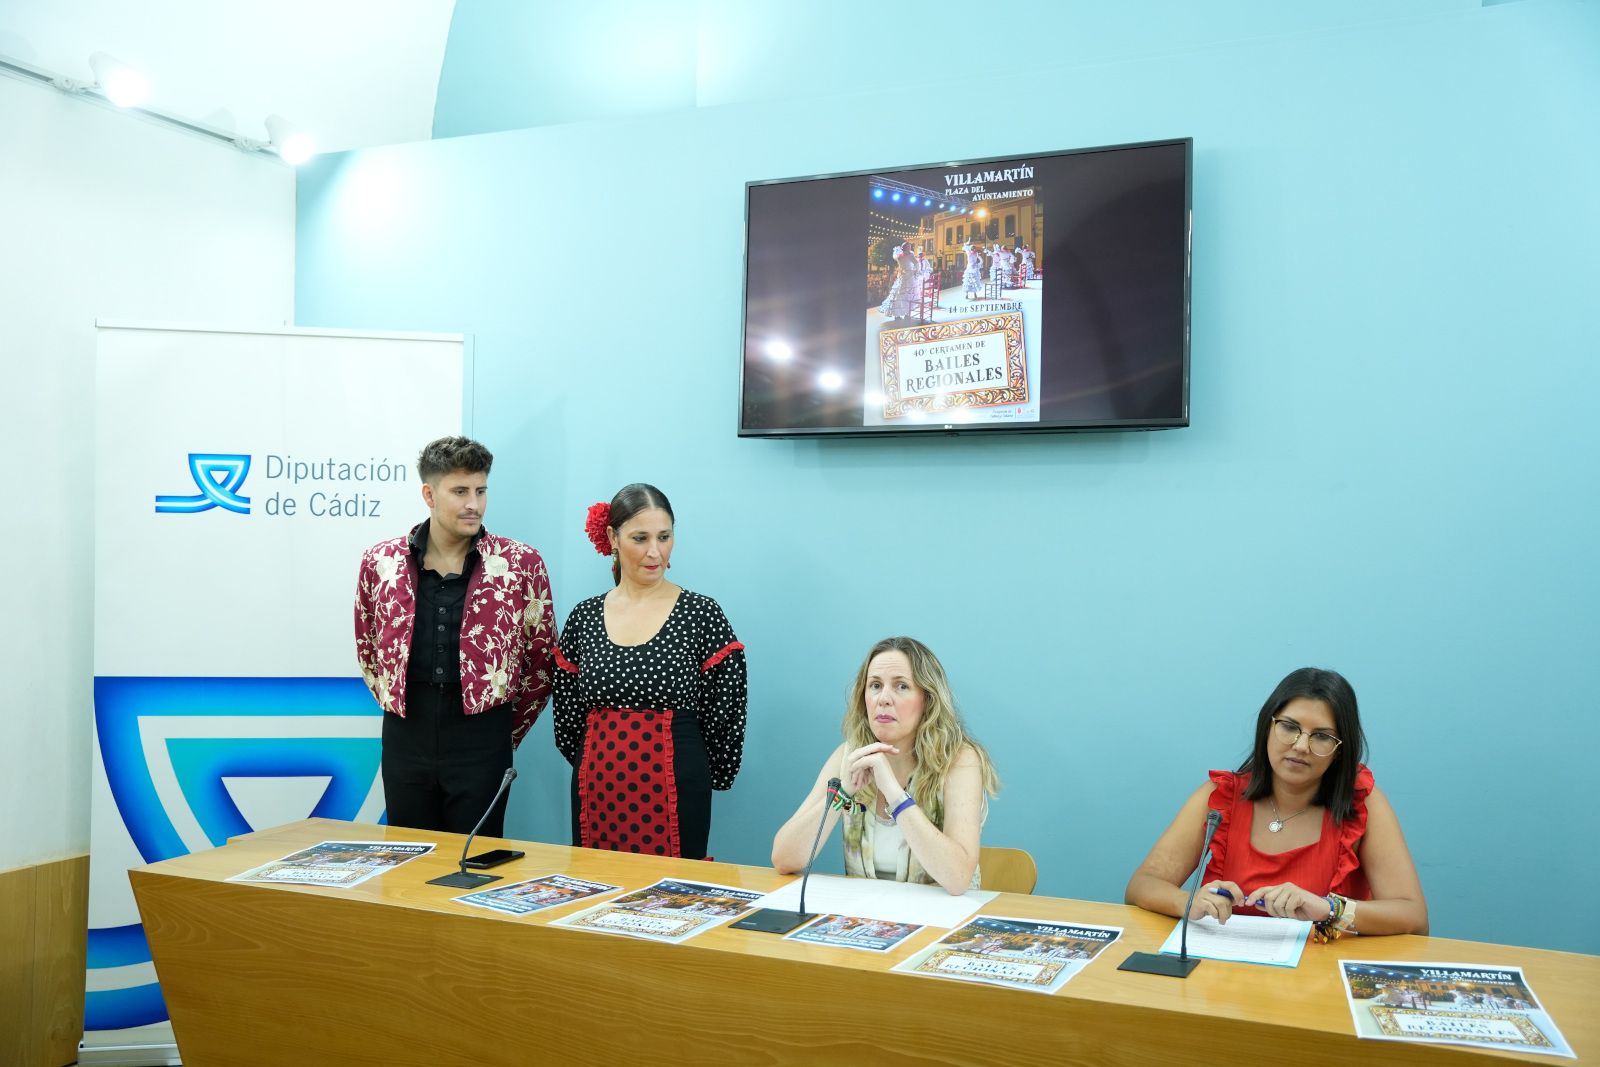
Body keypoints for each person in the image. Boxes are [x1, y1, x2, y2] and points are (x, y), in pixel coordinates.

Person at [1125, 667, 1427, 939]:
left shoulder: (1363, 803)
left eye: (1321, 736)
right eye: (1289, 726)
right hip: (1221, 982)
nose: (1300, 746)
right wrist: (1188, 902)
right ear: (1267, 726)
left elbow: (1413, 918)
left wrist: (1327, 909)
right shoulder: (1220, 797)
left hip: (1319, 984)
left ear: (1339, 751)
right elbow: (1142, 885)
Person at [354, 436, 555, 836]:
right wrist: (399, 704)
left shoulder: (520, 564)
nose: (474, 504)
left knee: (476, 863)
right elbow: (368, 646)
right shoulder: (381, 562)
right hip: (405, 732)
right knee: (408, 857)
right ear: (429, 494)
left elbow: (541, 661)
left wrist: (499, 729)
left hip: (483, 734)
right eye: (460, 491)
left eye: (481, 491)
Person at [551, 483, 747, 859]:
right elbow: (568, 719)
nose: (654, 552)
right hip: (599, 783)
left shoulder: (701, 614)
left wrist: (711, 774)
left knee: (674, 897)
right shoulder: (585, 617)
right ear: (612, 537)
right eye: (640, 538)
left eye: (664, 537)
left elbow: (725, 710)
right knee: (596, 889)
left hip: (677, 781)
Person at [772, 636, 1000, 895]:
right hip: (867, 924)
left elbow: (958, 878)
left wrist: (894, 793)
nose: (884, 698)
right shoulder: (849, 756)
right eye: (875, 685)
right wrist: (843, 792)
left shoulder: (959, 761)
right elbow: (784, 858)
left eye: (901, 686)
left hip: (941, 926)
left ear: (927, 699)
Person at [878, 240, 918, 322]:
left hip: (902, 275)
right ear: (908, 248)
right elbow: (917, 264)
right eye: (909, 246)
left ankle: (897, 314)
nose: (911, 248)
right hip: (909, 276)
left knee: (898, 295)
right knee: (908, 295)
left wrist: (896, 250)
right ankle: (907, 314)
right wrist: (916, 272)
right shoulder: (910, 255)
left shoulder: (898, 256)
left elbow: (894, 256)